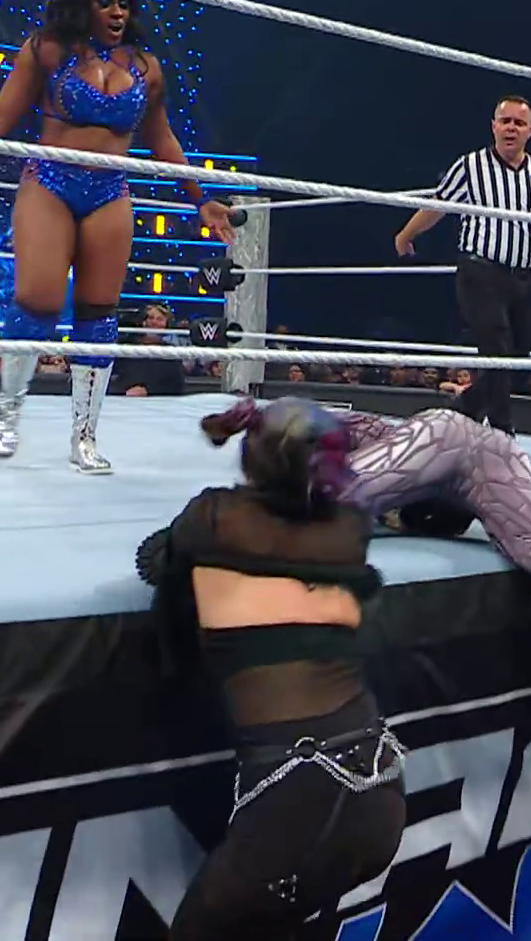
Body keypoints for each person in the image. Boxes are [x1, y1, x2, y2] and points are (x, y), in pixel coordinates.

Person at [0, 0, 231, 474]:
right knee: (39, 299)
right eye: (105, 2)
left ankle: (85, 436)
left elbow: (163, 139)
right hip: (49, 181)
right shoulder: (47, 51)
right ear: (83, 5)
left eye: (123, 3)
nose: (117, 12)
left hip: (109, 190)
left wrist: (200, 198)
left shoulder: (146, 68)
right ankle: (8, 410)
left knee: (99, 312)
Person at [136, 398, 405, 939]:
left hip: (297, 799)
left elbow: (154, 560)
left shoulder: (214, 520)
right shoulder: (350, 529)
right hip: (380, 788)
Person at [200, 398, 531, 605]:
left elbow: (331, 438)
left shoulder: (351, 459)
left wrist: (250, 418)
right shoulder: (359, 454)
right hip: (462, 452)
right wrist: (248, 419)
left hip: (466, 454)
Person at [393, 96, 531, 434]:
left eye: (519, 122)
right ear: (494, 126)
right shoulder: (470, 166)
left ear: (530, 131)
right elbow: (439, 204)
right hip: (480, 272)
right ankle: (501, 428)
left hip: (521, 277)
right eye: (505, 121)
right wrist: (406, 234)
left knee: (520, 352)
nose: (511, 128)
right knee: (497, 349)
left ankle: (464, 408)